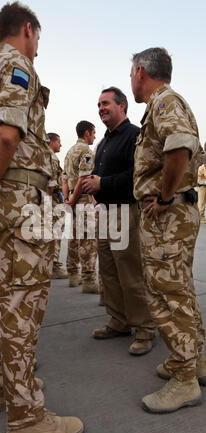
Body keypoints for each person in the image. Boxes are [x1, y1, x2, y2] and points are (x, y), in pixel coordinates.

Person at [0, 2, 83, 433]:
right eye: (38, 38)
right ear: (28, 30)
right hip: (18, 209)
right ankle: (27, 418)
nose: (37, 47)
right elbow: (8, 135)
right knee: (20, 311)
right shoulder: (17, 66)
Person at [131, 47, 206, 413]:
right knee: (181, 291)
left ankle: (184, 380)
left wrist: (162, 197)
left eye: (131, 73)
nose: (132, 80)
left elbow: (180, 147)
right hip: (177, 214)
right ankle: (195, 360)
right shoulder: (164, 105)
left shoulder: (163, 102)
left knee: (167, 296)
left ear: (141, 71)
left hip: (168, 216)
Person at [82, 87, 156, 355]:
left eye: (106, 103)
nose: (101, 108)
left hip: (125, 212)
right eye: (99, 104)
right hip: (106, 212)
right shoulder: (105, 140)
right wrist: (94, 185)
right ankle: (119, 320)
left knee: (130, 273)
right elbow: (98, 173)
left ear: (122, 106)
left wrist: (103, 183)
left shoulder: (134, 135)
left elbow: (138, 175)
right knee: (109, 271)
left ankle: (145, 328)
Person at [62, 121, 98, 293]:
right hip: (82, 198)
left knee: (74, 237)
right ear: (87, 133)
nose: (94, 136)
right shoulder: (86, 151)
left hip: (72, 198)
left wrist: (67, 198)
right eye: (93, 133)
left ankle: (72, 274)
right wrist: (75, 199)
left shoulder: (69, 152)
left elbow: (64, 178)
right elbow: (83, 179)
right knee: (87, 240)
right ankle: (89, 279)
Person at [47, 132, 68, 278]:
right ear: (52, 142)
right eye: (58, 141)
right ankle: (54, 266)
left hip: (50, 201)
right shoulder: (52, 158)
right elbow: (52, 184)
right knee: (55, 233)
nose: (60, 144)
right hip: (53, 201)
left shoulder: (44, 156)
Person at [197, 147, 206, 223]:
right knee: (201, 201)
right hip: (202, 186)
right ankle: (201, 216)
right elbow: (200, 180)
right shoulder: (201, 168)